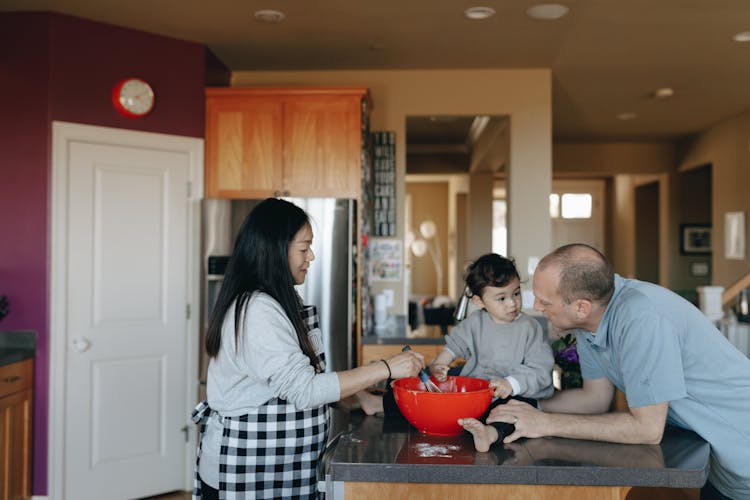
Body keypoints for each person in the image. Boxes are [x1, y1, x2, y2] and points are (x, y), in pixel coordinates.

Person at [191, 198, 424, 499]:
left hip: (276, 470)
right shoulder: (257, 311)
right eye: (303, 248)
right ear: (274, 250)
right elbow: (304, 390)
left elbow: (296, 379)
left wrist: (356, 399)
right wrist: (387, 367)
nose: (311, 256)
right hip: (248, 471)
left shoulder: (282, 299)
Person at [486, 243, 750, 500]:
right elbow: (594, 399)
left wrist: (545, 423)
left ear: (581, 307)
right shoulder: (593, 322)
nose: (538, 308)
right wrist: (521, 404)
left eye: (545, 302)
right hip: (719, 463)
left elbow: (647, 429)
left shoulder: (641, 318)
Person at [429, 253, 554, 452]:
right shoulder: (474, 323)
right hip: (476, 396)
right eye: (501, 298)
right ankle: (379, 404)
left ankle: (490, 434)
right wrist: (439, 364)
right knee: (433, 396)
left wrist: (510, 384)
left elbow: (541, 371)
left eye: (516, 293)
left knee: (517, 411)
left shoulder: (530, 328)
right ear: (480, 302)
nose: (512, 303)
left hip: (513, 396)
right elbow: (454, 345)